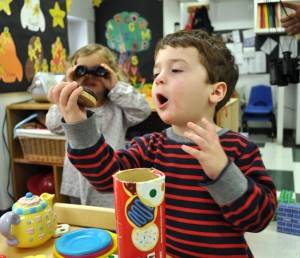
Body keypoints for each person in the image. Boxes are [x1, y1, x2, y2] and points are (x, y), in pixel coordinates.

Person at [49, 30, 277, 257]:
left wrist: (223, 171)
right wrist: (78, 123)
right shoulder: (150, 146)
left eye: (176, 69)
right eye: (157, 71)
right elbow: (105, 175)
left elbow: (259, 219)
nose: (158, 78)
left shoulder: (238, 148)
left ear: (216, 91)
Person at [45, 43, 152, 207]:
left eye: (99, 71)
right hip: (77, 181)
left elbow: (142, 109)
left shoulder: (118, 107)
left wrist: (115, 86)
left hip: (110, 177)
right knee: (81, 222)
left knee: (111, 222)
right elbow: (52, 125)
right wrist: (68, 90)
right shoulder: (73, 108)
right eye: (82, 71)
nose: (89, 76)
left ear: (110, 73)